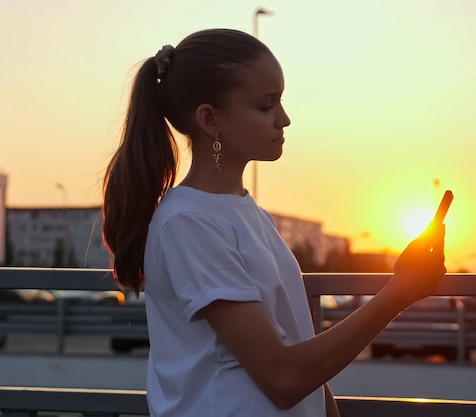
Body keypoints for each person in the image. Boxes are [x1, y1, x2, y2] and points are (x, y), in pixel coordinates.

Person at [102, 28, 446, 417]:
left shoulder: (248, 212)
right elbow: (282, 377)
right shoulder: (189, 224)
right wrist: (398, 293)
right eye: (266, 106)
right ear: (210, 119)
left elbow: (293, 348)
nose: (284, 119)